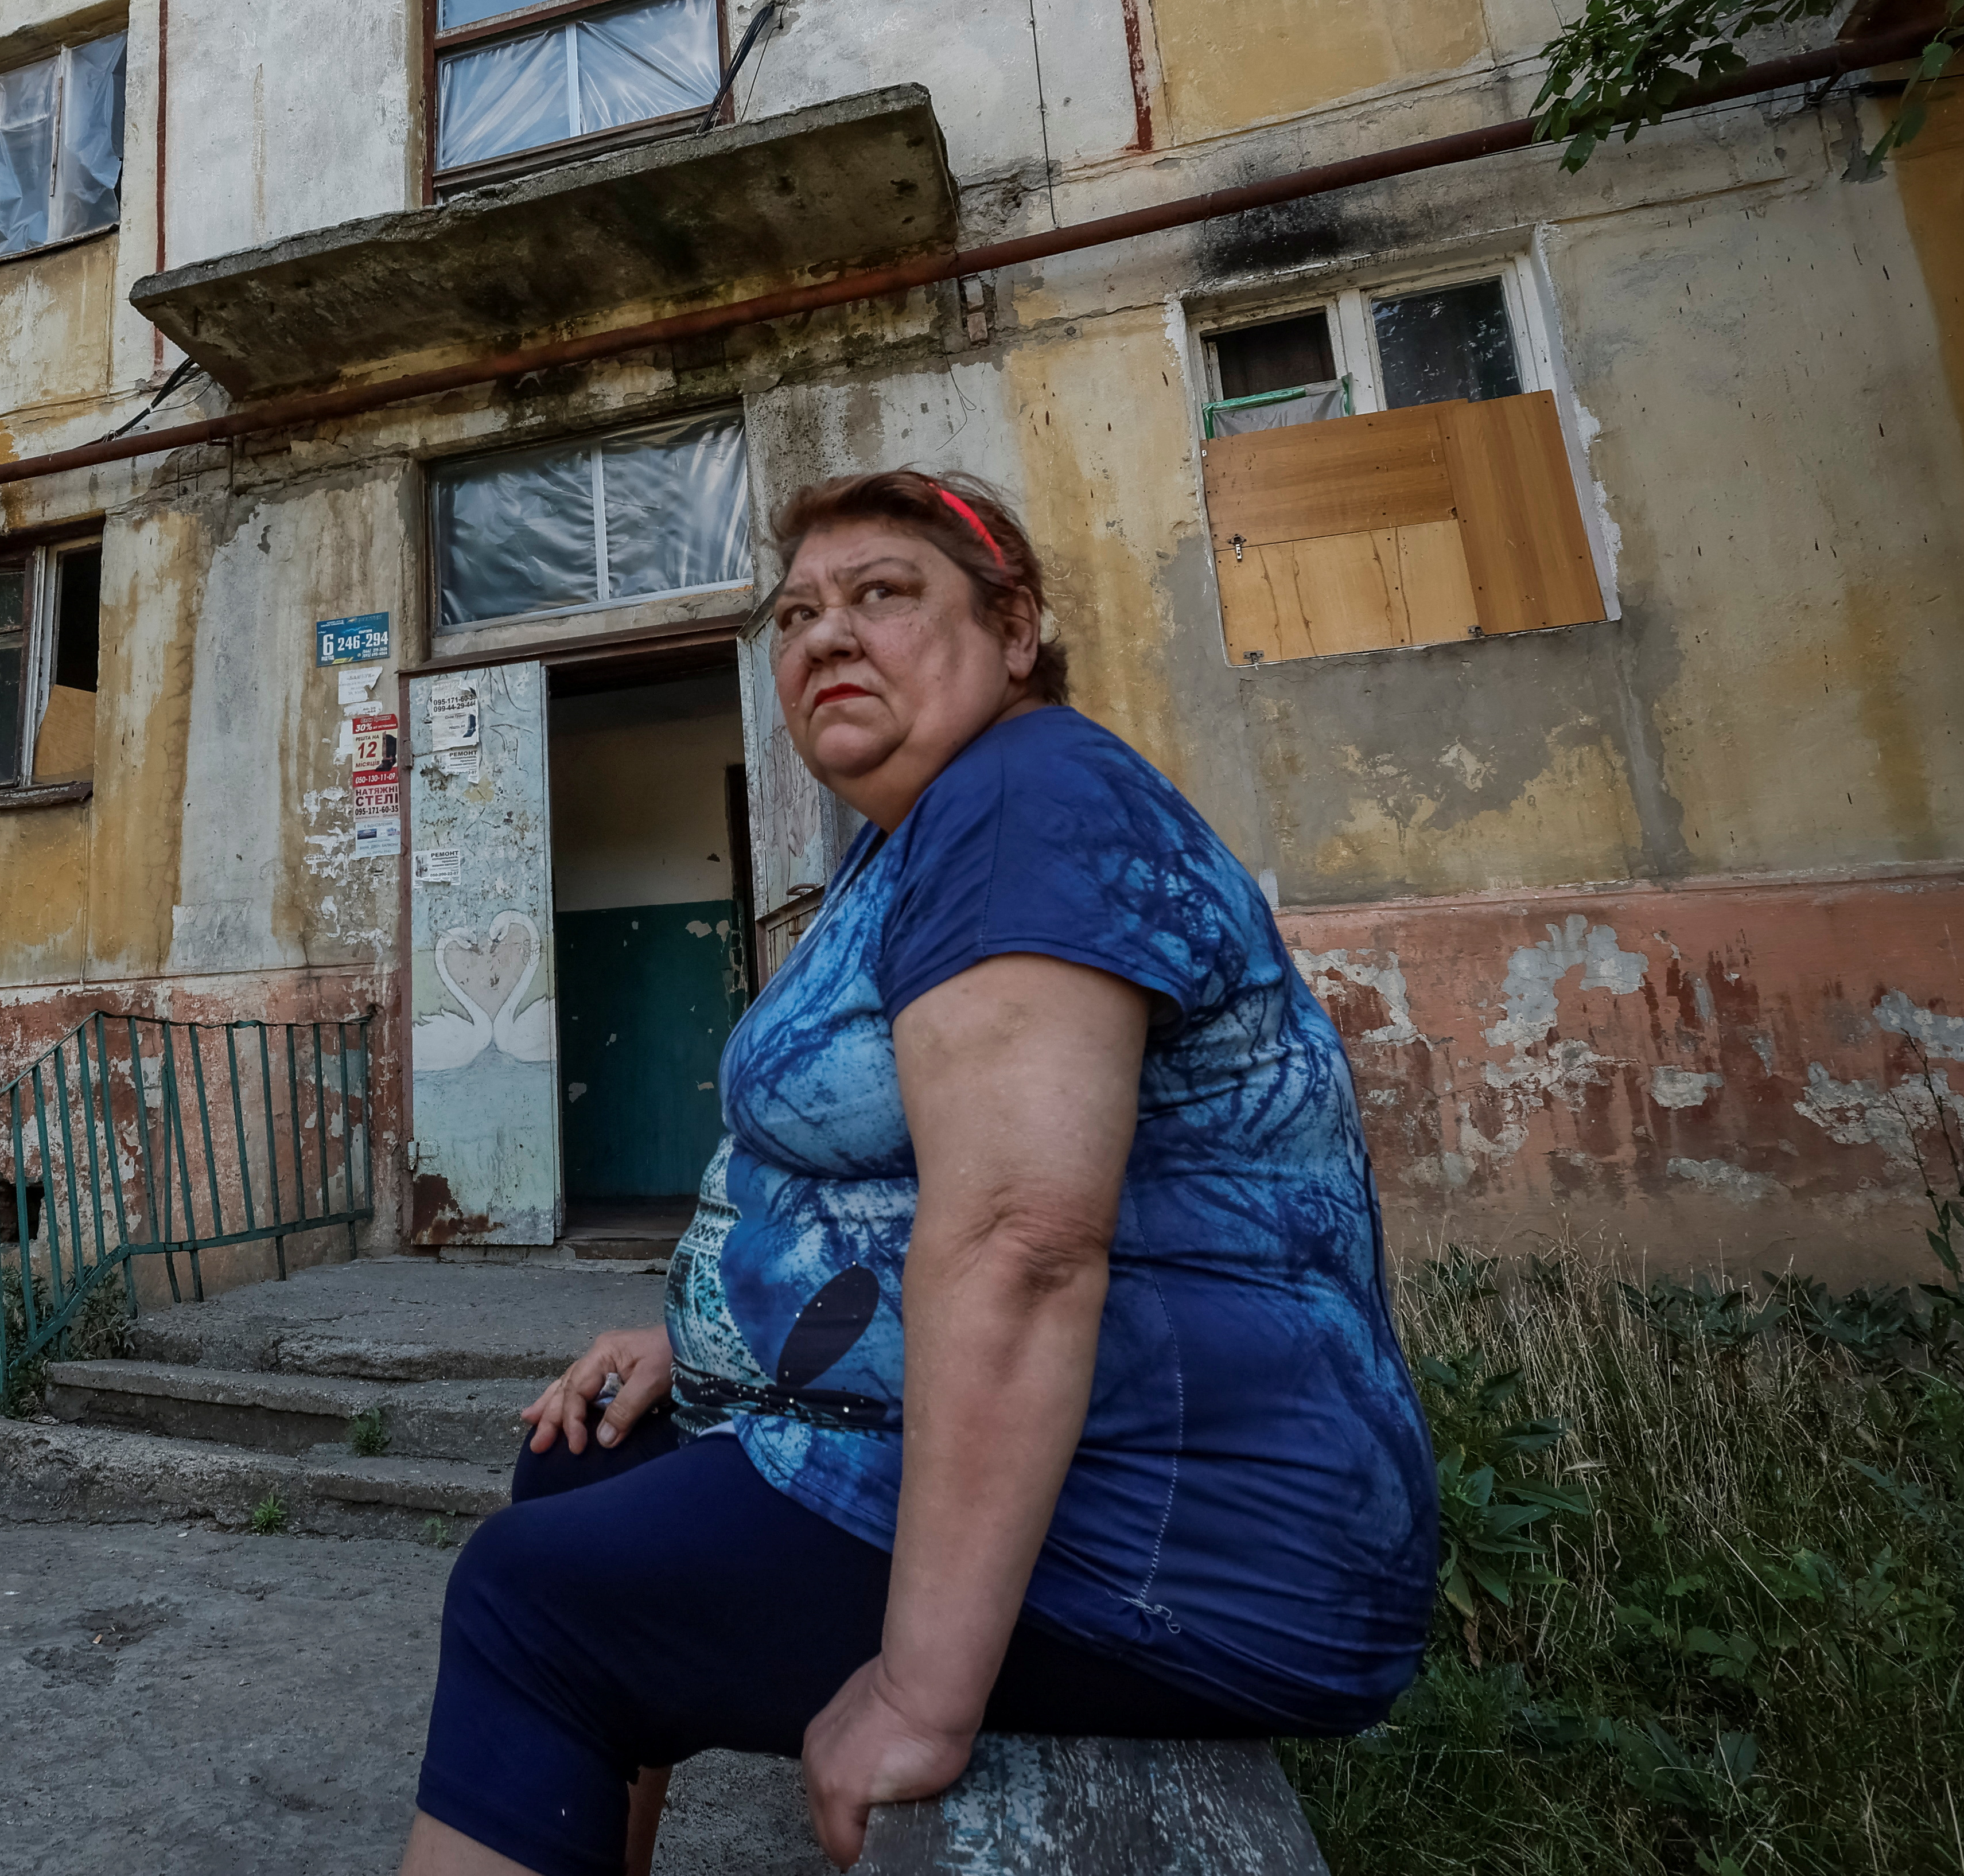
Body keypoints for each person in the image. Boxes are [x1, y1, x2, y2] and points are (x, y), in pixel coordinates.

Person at [395, 470, 1436, 1876]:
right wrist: (709, 1341)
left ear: (1014, 628)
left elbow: (1022, 1245)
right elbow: (881, 1187)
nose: (826, 633)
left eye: (882, 594)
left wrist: (916, 1696)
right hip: (1073, 1478)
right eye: (795, 615)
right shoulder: (916, 838)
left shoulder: (1028, 798)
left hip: (1178, 1544)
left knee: (531, 1605)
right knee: (578, 1463)